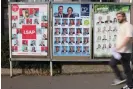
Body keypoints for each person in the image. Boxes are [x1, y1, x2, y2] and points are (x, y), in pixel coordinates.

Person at [109, 12, 133, 89]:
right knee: (126, 69)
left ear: (124, 17)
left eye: (119, 16)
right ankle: (128, 83)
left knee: (114, 64)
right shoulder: (121, 25)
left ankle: (123, 80)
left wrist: (118, 48)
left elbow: (128, 38)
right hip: (120, 51)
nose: (118, 18)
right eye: (117, 17)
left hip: (124, 51)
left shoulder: (128, 26)